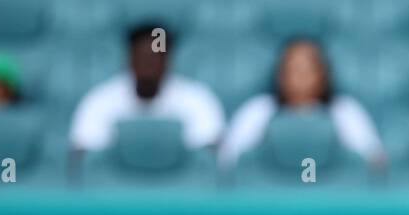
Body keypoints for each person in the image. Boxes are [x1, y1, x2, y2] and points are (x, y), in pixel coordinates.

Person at [219, 37, 384, 170]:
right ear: (280, 75)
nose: (300, 76)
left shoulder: (345, 111)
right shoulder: (258, 110)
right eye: (293, 69)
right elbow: (228, 161)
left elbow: (374, 161)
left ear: (323, 74)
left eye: (308, 69)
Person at [69, 21, 225, 152]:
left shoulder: (197, 99)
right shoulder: (99, 100)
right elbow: (84, 157)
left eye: (155, 56)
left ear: (168, 60)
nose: (148, 63)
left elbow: (209, 158)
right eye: (142, 56)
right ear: (128, 59)